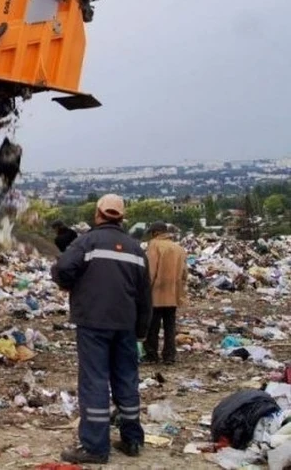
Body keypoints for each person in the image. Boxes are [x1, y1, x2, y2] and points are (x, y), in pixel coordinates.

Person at [51, 194, 152, 464]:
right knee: (126, 380)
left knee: (95, 381)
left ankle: (95, 447)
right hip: (126, 325)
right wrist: (141, 330)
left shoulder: (87, 242)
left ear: (98, 214)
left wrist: (69, 283)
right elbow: (145, 296)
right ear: (121, 216)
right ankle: (132, 440)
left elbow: (62, 269)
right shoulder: (135, 250)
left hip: (94, 322)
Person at [143, 221, 188, 365]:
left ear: (156, 233)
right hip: (173, 293)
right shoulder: (178, 248)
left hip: (157, 293)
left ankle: (152, 354)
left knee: (153, 326)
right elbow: (185, 273)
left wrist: (144, 290)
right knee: (170, 326)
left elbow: (150, 271)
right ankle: (169, 355)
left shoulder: (154, 245)